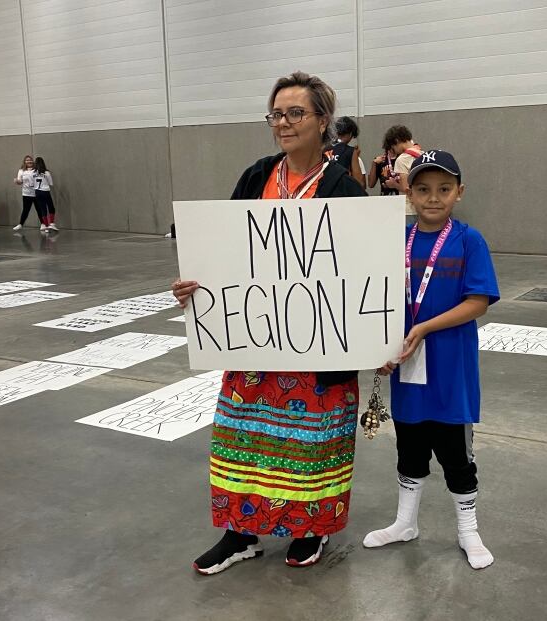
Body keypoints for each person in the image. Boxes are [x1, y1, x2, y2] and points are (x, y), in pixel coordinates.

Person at [172, 71, 367, 575]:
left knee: (311, 441)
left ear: (323, 120)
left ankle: (308, 530)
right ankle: (241, 532)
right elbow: (226, 250)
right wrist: (197, 286)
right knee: (243, 436)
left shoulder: (344, 188)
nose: (283, 123)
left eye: (295, 113)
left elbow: (362, 269)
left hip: (318, 347)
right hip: (255, 340)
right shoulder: (257, 176)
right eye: (276, 114)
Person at [364, 150, 500, 571]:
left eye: (444, 189)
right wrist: (380, 348)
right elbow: (376, 300)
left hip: (450, 370)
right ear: (408, 192)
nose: (433, 198)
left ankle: (468, 530)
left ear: (459, 192)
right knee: (410, 449)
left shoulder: (468, 240)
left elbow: (478, 301)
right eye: (423, 189)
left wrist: (423, 328)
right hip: (406, 369)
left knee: (456, 457)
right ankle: (405, 523)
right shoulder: (395, 241)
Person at [383, 125, 422, 224]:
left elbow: (406, 188)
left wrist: (393, 184)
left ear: (396, 141)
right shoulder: (422, 154)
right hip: (421, 207)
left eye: (393, 148)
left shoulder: (402, 159)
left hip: (408, 209)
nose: (395, 151)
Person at [326, 116, 366, 188]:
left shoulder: (323, 149)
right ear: (350, 134)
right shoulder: (350, 151)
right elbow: (360, 183)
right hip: (342, 194)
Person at [13, 155, 38, 231]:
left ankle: (44, 224)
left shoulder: (36, 170)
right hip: (26, 193)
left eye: (30, 160)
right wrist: (17, 181)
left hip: (37, 193)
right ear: (24, 162)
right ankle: (20, 224)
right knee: (26, 210)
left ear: (33, 161)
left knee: (39, 209)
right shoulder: (21, 171)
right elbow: (20, 181)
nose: (29, 161)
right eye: (27, 160)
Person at [34, 157, 58, 232]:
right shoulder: (46, 172)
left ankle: (46, 226)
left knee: (43, 208)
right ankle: (51, 223)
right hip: (45, 191)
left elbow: (32, 184)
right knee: (51, 207)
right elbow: (51, 183)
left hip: (37, 192)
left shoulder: (33, 173)